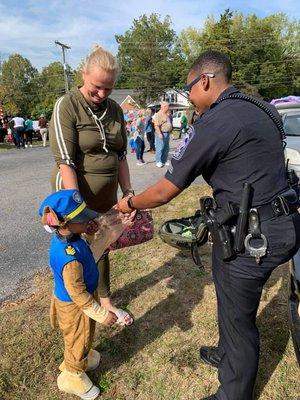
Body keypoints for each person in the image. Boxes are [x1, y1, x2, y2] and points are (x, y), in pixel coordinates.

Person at [117, 50, 300, 400]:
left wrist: (129, 203)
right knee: (227, 296)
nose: (190, 99)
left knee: (238, 320)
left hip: (252, 234)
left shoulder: (215, 121)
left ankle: (233, 393)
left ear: (205, 81)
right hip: (281, 220)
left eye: (190, 90)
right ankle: (227, 353)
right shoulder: (263, 109)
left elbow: (164, 191)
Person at [49, 45, 134, 325]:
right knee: (75, 249)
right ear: (84, 74)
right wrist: (77, 208)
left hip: (105, 194)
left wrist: (128, 192)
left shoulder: (115, 112)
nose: (102, 94)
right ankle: (74, 302)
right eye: (97, 87)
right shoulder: (67, 105)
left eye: (108, 89)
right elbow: (65, 161)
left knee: (102, 242)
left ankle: (105, 301)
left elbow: (120, 155)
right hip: (74, 192)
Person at [38, 189, 132, 399]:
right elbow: (78, 294)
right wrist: (101, 313)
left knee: (83, 336)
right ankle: (71, 375)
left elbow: (90, 252)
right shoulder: (68, 258)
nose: (87, 220)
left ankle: (81, 356)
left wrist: (103, 232)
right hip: (75, 307)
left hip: (84, 301)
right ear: (64, 224)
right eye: (82, 218)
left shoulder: (73, 238)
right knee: (77, 339)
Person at [153, 101, 172, 168]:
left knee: (166, 148)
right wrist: (159, 134)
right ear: (164, 107)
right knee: (160, 148)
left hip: (167, 133)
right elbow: (156, 125)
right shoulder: (158, 114)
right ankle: (158, 161)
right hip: (161, 133)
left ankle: (164, 160)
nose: (169, 108)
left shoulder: (166, 114)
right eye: (168, 106)